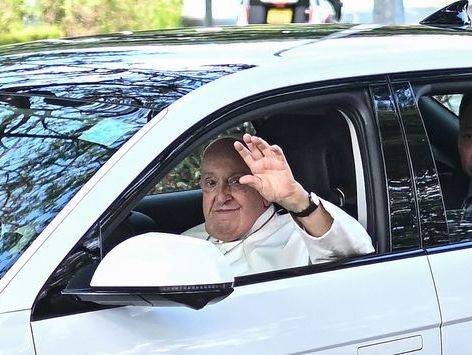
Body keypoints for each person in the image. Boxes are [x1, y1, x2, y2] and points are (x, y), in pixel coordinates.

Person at [184, 133, 374, 276]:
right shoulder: (186, 241)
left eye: (236, 181)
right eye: (211, 183)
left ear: (264, 193)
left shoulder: (298, 239)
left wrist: (296, 199)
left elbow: (354, 259)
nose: (221, 196)